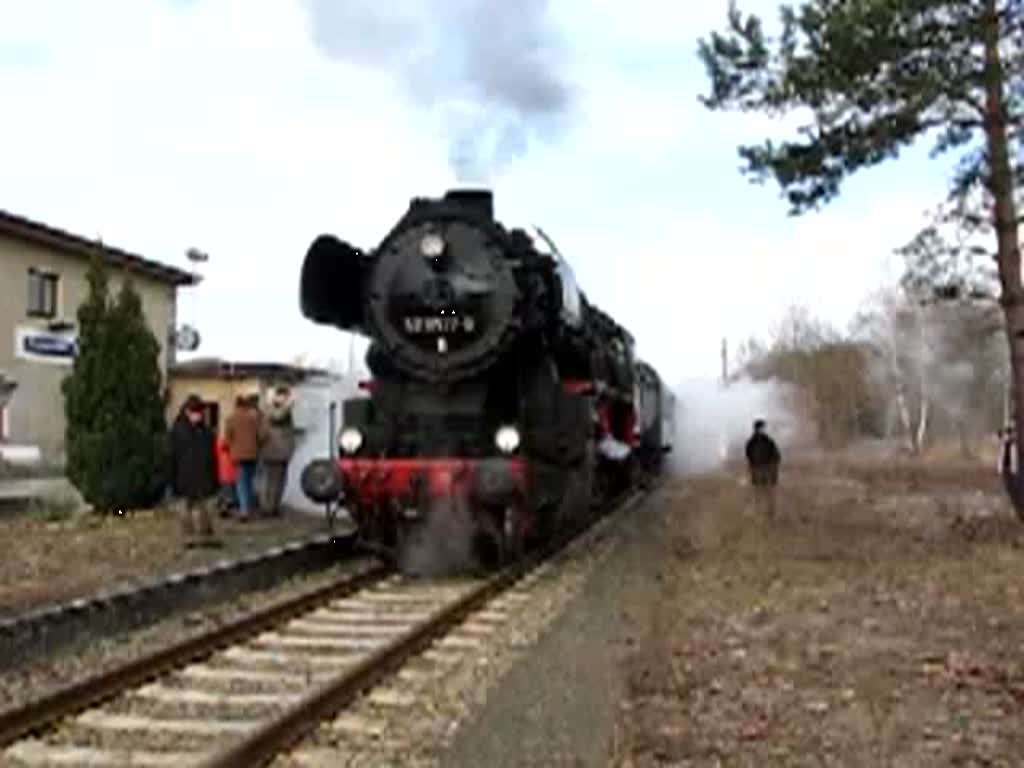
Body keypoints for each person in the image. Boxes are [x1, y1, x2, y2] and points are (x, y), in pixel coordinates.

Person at [166, 394, 221, 547]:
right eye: (196, 412)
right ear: (187, 412)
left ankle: (203, 537)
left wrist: (215, 479)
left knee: (204, 510)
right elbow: (171, 457)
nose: (198, 415)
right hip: (183, 478)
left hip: (203, 477)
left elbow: (212, 457)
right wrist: (171, 479)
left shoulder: (206, 432)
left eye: (200, 412)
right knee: (184, 511)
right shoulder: (177, 431)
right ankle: (188, 538)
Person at [225, 393, 266, 521]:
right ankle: (249, 507)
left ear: (236, 405)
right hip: (253, 455)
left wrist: (230, 448)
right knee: (249, 481)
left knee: (241, 483)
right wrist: (257, 446)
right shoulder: (253, 419)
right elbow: (262, 436)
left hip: (238, 455)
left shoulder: (230, 419)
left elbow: (227, 439)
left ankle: (244, 511)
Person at [260, 384, 297, 516]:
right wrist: (288, 405)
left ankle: (274, 507)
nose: (285, 399)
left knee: (280, 481)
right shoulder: (270, 409)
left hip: (282, 452)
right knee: (271, 481)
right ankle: (267, 508)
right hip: (272, 451)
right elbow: (277, 417)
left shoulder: (283, 410)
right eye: (283, 396)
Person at [745, 418, 781, 519]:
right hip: (759, 470)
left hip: (766, 470)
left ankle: (769, 513)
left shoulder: (766, 441)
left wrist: (774, 469)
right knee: (759, 493)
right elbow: (749, 457)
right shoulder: (753, 442)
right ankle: (760, 513)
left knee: (767, 493)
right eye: (762, 428)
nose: (763, 430)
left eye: (763, 428)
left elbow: (776, 456)